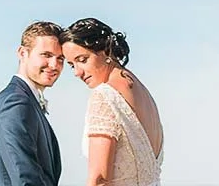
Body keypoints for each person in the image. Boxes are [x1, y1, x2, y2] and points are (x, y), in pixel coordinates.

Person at [60, 18, 164, 186]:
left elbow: (99, 178)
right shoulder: (142, 91)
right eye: (72, 65)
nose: (77, 73)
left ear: (106, 51)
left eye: (82, 59)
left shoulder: (104, 96)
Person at [0, 21, 66, 186]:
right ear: (23, 53)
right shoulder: (15, 103)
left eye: (60, 58)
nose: (54, 65)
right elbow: (25, 178)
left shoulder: (24, 100)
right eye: (46, 55)